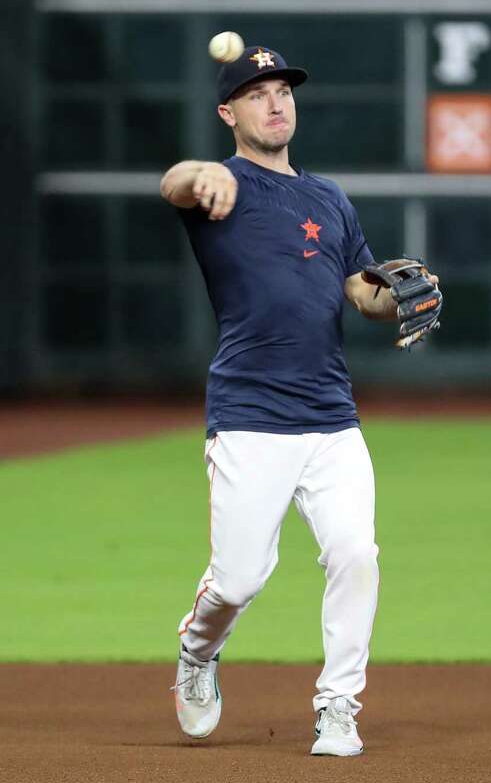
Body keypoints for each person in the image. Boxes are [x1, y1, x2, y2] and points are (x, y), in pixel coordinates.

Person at [159, 44, 440, 756]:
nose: (276, 102)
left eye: (283, 90)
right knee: (240, 579)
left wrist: (392, 298)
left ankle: (338, 707)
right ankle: (197, 653)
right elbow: (174, 183)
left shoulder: (329, 199)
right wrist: (198, 173)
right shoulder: (220, 187)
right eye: (257, 93)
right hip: (250, 417)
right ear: (229, 112)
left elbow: (359, 291)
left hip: (331, 418)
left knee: (356, 554)